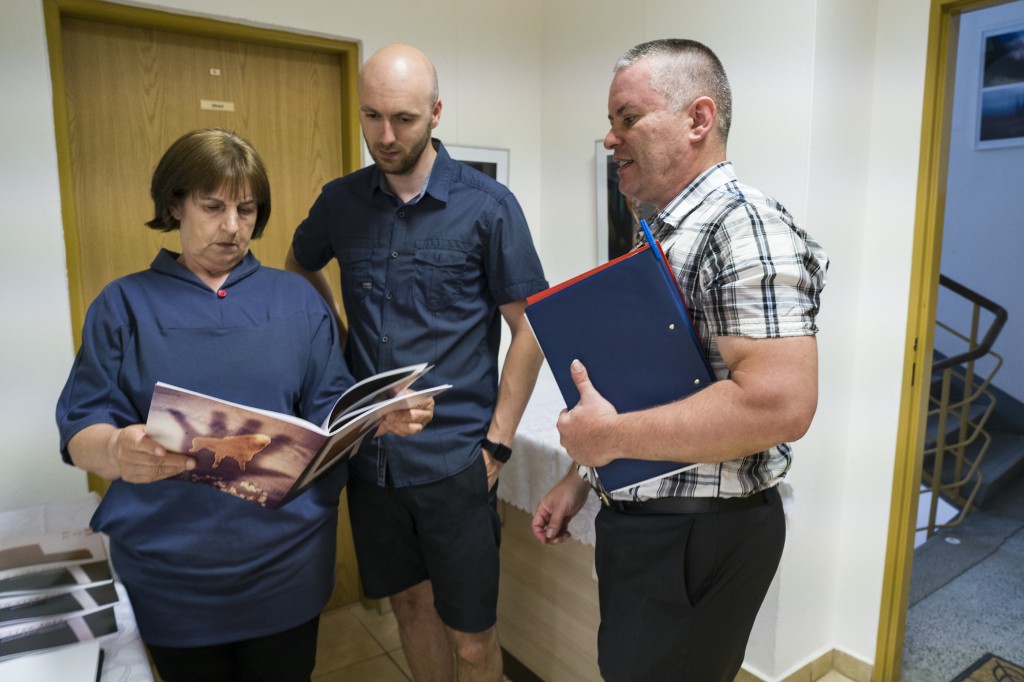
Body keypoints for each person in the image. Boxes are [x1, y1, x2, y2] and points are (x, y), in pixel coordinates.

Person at [56, 128, 432, 682]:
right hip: (171, 575)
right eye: (213, 207)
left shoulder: (297, 300)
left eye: (246, 209)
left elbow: (330, 412)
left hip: (286, 565)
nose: (232, 227)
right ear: (175, 205)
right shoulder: (123, 304)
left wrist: (378, 416)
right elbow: (79, 427)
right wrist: (116, 449)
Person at [531, 39, 829, 682]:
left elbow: (779, 405)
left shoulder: (744, 227)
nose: (610, 138)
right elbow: (652, 386)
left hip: (696, 537)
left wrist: (610, 439)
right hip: (656, 528)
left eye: (628, 118)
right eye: (611, 122)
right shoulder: (668, 231)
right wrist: (583, 474)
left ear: (698, 119)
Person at [286, 43, 547, 682]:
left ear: (435, 112)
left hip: (456, 462)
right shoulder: (340, 202)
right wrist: (339, 334)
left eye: (402, 119)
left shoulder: (488, 206)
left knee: (473, 642)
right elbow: (299, 265)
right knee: (408, 607)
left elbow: (532, 328)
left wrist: (497, 445)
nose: (384, 136)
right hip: (371, 459)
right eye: (371, 116)